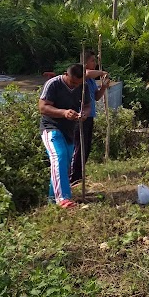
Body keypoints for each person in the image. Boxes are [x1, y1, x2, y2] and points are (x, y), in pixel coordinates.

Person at [39, 64, 84, 208]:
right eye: (72, 82)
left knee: (63, 165)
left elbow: (88, 104)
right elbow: (42, 107)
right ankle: (63, 199)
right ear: (66, 74)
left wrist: (85, 114)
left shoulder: (82, 86)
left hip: (69, 131)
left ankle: (52, 200)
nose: (75, 86)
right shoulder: (53, 84)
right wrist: (63, 113)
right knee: (59, 156)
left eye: (78, 83)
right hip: (50, 128)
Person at [69, 50, 111, 185]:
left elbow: (97, 97)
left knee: (86, 147)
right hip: (80, 117)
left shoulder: (91, 80)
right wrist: (102, 72)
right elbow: (86, 73)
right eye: (93, 60)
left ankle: (79, 175)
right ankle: (73, 177)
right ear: (85, 62)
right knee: (79, 147)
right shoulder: (81, 75)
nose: (95, 63)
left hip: (90, 116)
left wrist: (103, 87)